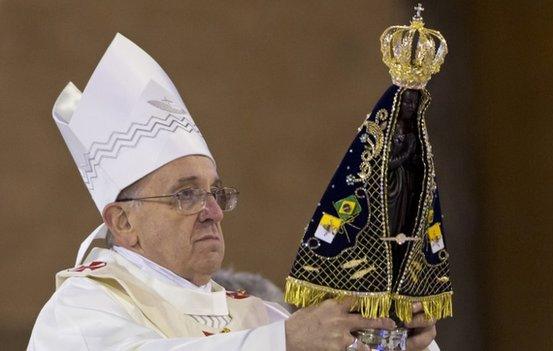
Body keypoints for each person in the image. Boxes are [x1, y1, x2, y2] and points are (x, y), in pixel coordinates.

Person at [27, 33, 439, 351]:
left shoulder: (256, 316)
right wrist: (284, 342)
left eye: (216, 193)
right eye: (185, 195)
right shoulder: (79, 311)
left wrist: (400, 336)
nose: (213, 212)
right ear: (123, 221)